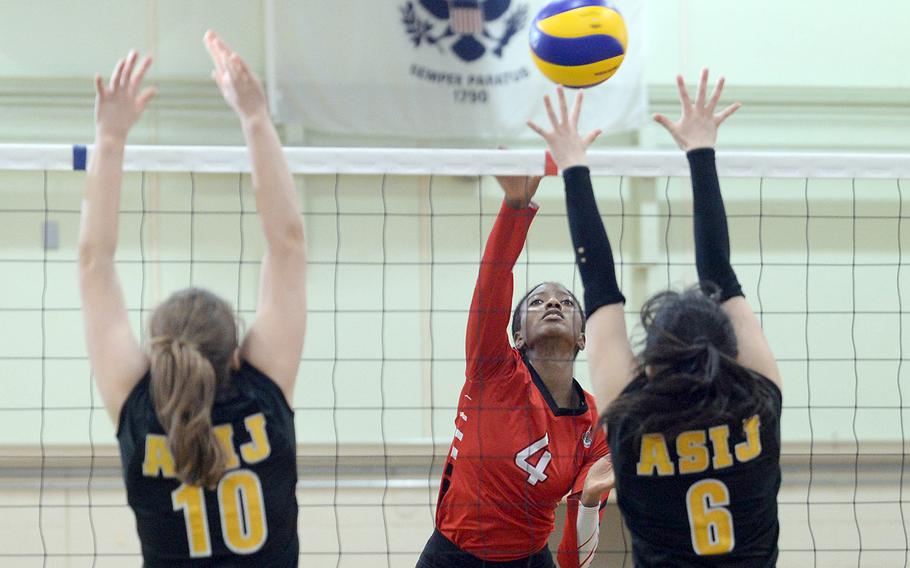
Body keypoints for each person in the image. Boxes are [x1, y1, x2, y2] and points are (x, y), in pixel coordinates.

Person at [530, 73, 782, 567]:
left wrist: (572, 164)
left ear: (653, 358)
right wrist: (700, 150)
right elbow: (719, 275)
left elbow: (600, 286)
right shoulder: (758, 405)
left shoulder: (631, 419)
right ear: (729, 348)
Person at [78, 31, 307, 567]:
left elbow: (94, 260)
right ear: (235, 353)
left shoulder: (138, 405)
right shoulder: (262, 396)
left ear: (156, 353)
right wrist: (254, 116)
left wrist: (109, 138)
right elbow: (288, 245)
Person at [418, 171, 614, 567]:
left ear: (582, 337)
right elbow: (493, 281)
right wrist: (515, 207)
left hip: (530, 560)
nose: (554, 304)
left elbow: (574, 562)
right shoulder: (492, 369)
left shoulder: (596, 425)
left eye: (567, 302)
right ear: (518, 335)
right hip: (453, 557)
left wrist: (590, 501)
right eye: (538, 302)